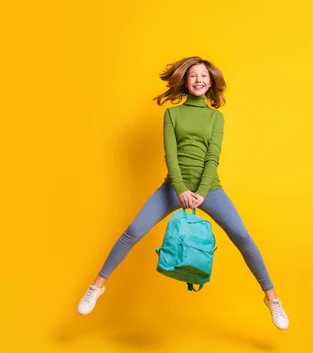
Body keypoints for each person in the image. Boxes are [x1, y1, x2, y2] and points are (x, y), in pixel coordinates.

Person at [77, 56, 289, 330]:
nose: (199, 80)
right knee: (132, 231)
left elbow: (213, 156)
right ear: (185, 81)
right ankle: (97, 286)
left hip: (208, 188)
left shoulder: (216, 117)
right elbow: (171, 155)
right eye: (193, 76)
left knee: (243, 237)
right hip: (173, 188)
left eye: (203, 76)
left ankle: (271, 298)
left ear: (210, 81)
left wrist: (200, 192)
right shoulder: (172, 114)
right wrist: (180, 190)